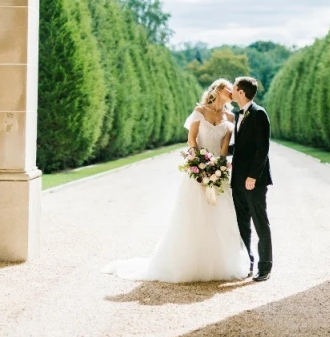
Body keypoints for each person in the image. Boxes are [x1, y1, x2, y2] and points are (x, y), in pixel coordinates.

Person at [101, 78, 249, 283]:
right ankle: (189, 263)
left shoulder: (230, 117)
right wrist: (201, 164)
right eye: (229, 88)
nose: (233, 91)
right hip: (198, 168)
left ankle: (219, 264)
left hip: (218, 171)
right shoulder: (200, 110)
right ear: (218, 90)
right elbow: (192, 139)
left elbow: (225, 146)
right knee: (194, 213)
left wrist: (219, 167)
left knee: (220, 214)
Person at [231, 76, 273, 282]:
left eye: (233, 88)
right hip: (237, 180)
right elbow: (239, 148)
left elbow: (262, 149)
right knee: (242, 224)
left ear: (241, 92)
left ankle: (264, 267)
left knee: (259, 222)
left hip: (253, 180)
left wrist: (252, 176)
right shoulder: (238, 115)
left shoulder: (259, 113)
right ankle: (247, 264)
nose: (231, 91)